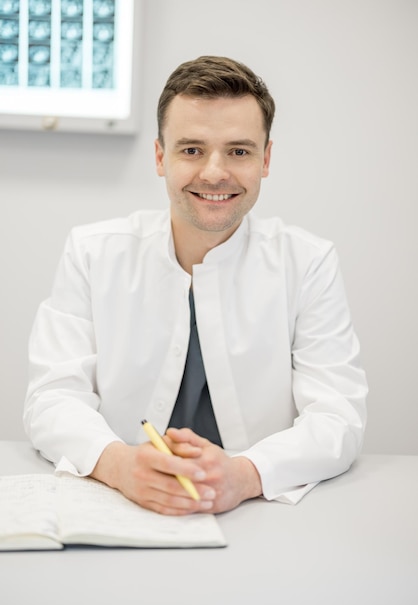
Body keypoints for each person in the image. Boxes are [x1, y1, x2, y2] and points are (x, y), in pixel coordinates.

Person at [23, 55, 368, 516]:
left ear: (265, 159)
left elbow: (338, 416)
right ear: (160, 157)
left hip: (260, 513)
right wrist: (121, 465)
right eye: (191, 150)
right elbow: (51, 398)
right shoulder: (92, 253)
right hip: (119, 507)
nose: (214, 172)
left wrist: (243, 475)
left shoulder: (307, 263)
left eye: (239, 151)